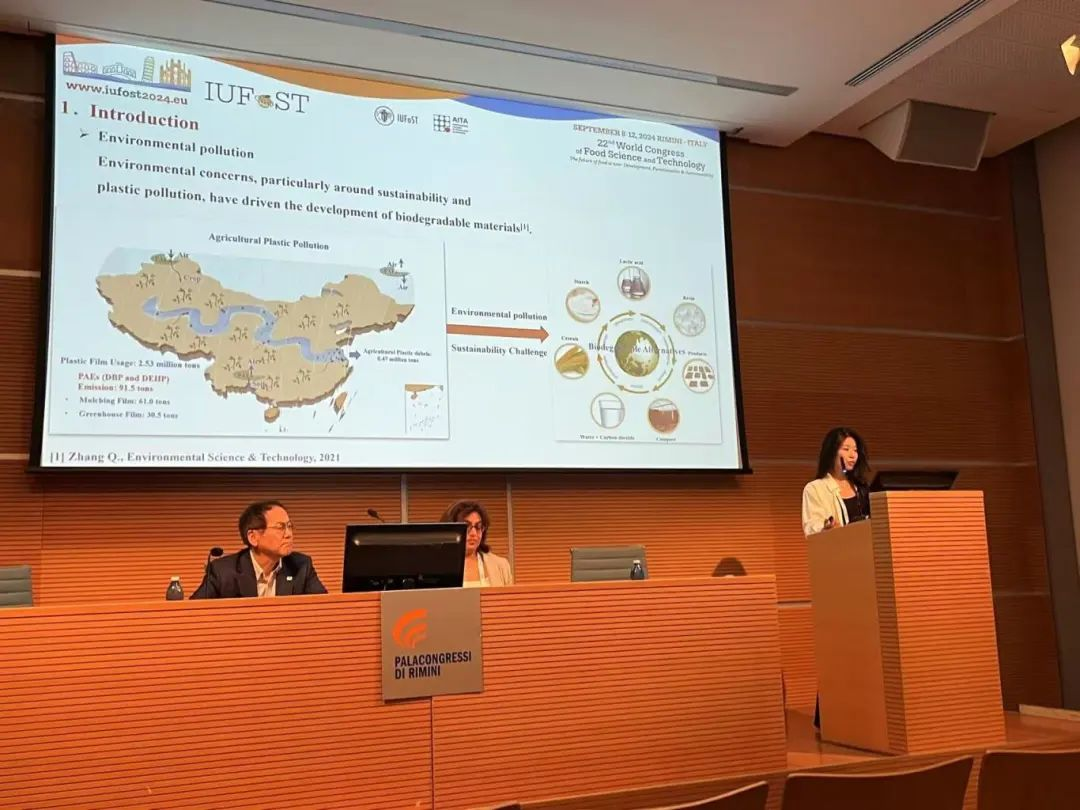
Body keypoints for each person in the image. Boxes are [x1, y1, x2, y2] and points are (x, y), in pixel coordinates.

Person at [191, 500, 327, 598]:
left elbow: (324, 610)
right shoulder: (223, 572)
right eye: (280, 527)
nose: (289, 534)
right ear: (253, 537)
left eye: (289, 526)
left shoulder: (301, 567)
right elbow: (194, 614)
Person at [802, 426, 872, 536]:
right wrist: (826, 526)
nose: (852, 455)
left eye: (855, 450)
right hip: (836, 545)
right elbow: (811, 526)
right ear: (832, 452)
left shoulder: (862, 488)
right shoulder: (815, 488)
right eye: (846, 449)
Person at [440, 499, 513, 587]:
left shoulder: (501, 565)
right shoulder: (436, 566)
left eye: (478, 527)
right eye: (467, 526)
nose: (473, 533)